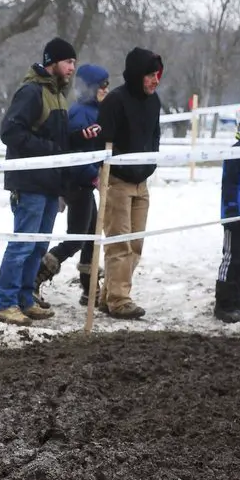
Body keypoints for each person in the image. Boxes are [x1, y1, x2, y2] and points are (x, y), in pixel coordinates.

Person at [0, 37, 101, 326]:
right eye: (68, 62)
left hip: (51, 184)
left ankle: (26, 299)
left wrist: (79, 137)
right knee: (22, 245)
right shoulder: (31, 92)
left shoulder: (58, 94)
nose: (72, 68)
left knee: (39, 247)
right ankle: (4, 302)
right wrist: (51, 153)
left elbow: (59, 141)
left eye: (74, 63)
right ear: (52, 61)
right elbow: (11, 133)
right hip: (29, 182)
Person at [96, 47, 163, 319]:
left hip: (141, 182)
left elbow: (155, 135)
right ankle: (120, 300)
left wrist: (150, 163)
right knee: (119, 244)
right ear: (137, 75)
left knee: (135, 245)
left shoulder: (155, 101)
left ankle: (108, 294)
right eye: (150, 75)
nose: (155, 80)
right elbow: (102, 141)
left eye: (158, 75)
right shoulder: (115, 101)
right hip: (117, 181)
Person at [34, 63, 109, 305]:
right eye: (102, 86)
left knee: (91, 235)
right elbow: (73, 153)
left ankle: (89, 289)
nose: (106, 91)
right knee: (77, 238)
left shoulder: (97, 112)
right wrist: (92, 174)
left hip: (86, 183)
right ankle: (36, 277)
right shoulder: (79, 114)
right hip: (77, 183)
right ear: (92, 87)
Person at [215, 106, 240, 323]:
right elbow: (229, 185)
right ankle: (225, 303)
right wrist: (231, 211)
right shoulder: (236, 152)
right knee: (233, 258)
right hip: (236, 216)